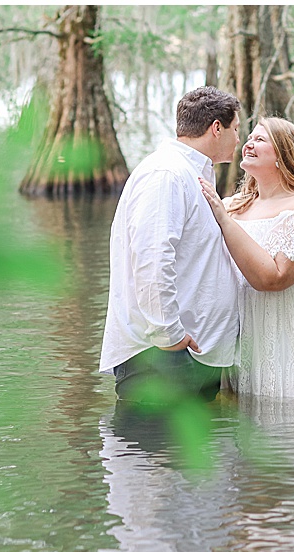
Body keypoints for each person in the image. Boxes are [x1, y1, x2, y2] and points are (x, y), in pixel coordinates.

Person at [98, 86, 243, 405]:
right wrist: (170, 335)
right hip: (163, 359)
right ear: (216, 128)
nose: (238, 140)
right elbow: (152, 258)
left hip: (190, 357)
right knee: (156, 451)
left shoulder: (190, 175)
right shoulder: (167, 174)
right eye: (235, 130)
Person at [199, 116, 294, 398]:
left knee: (292, 421)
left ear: (283, 155)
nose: (248, 144)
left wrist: (224, 221)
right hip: (243, 331)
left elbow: (273, 279)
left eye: (260, 140)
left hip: (289, 330)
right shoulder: (233, 205)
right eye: (249, 138)